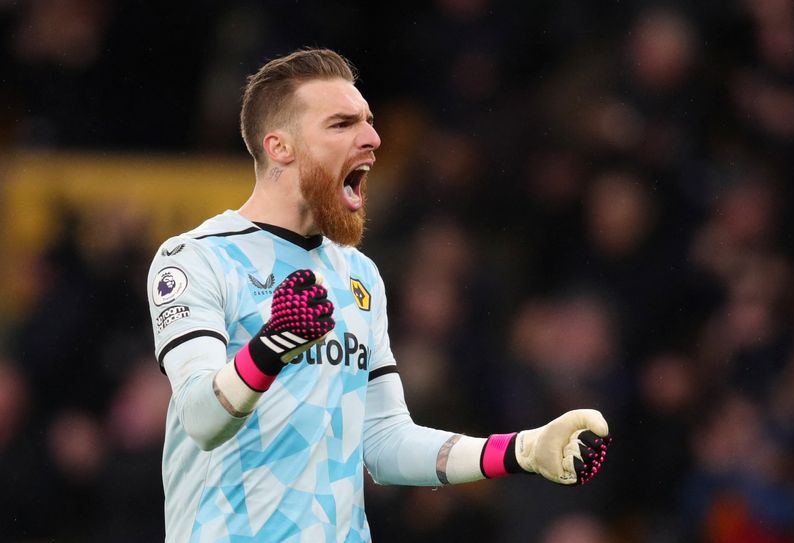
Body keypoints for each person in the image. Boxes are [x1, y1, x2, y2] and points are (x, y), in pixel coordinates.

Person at [146, 47, 611, 543]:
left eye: (367, 121)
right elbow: (200, 416)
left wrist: (522, 450)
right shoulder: (194, 259)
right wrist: (271, 345)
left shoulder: (359, 275)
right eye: (342, 124)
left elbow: (385, 442)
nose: (372, 138)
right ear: (281, 147)